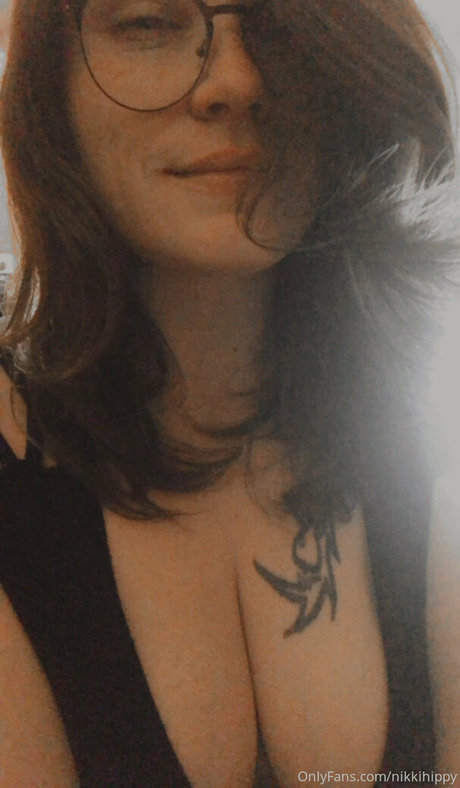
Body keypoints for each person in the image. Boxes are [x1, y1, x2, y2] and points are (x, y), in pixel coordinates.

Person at [0, 0, 459, 784]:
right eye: (149, 23)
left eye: (275, 24)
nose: (236, 81)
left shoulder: (425, 445)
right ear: (49, 89)